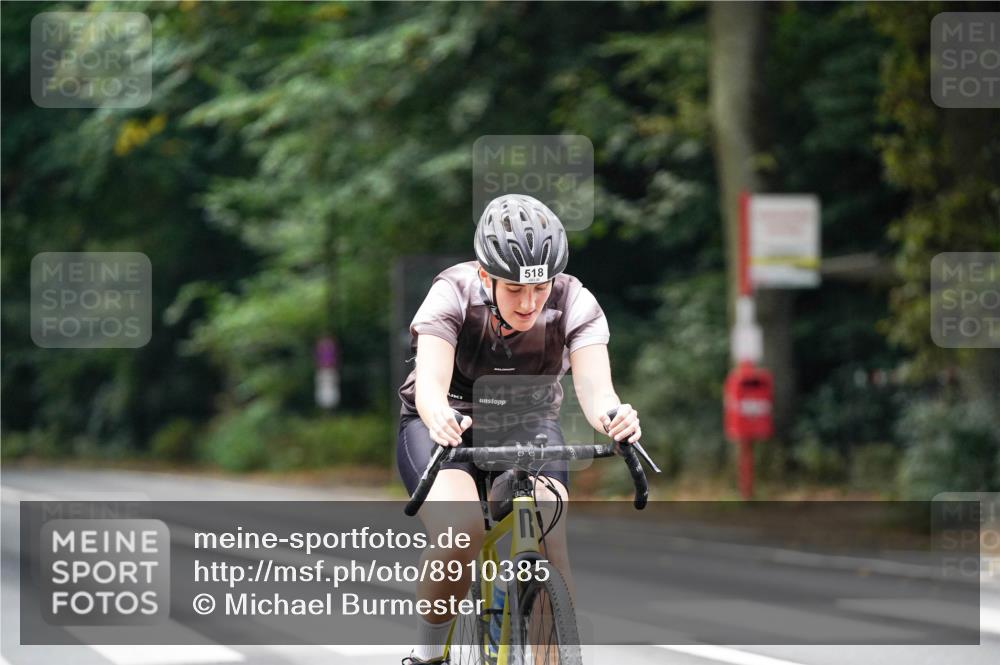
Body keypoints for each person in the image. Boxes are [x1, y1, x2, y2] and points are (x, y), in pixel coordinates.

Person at [397, 193, 641, 664]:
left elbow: (597, 391)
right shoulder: (453, 291)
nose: (529, 303)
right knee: (461, 529)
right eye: (514, 289)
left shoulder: (574, 300)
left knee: (550, 522)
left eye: (540, 287)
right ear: (486, 276)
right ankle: (427, 655)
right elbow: (429, 384)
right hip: (447, 422)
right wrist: (437, 414)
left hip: (526, 423)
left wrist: (615, 417)